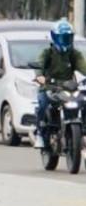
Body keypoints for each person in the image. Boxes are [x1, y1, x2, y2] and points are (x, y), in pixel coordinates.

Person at [33, 20, 86, 148]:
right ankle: (40, 134)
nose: (65, 40)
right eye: (62, 37)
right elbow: (39, 64)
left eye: (68, 37)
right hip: (49, 87)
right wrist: (40, 76)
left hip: (68, 89)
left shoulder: (74, 54)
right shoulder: (47, 53)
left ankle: (83, 130)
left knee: (83, 102)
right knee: (42, 104)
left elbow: (83, 66)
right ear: (55, 37)